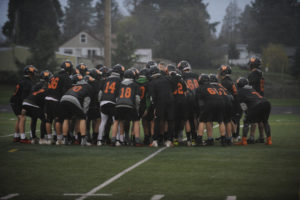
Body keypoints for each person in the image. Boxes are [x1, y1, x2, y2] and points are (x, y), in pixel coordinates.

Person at [60, 75, 98, 146]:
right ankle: (83, 140)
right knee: (82, 118)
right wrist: (84, 112)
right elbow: (87, 100)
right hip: (74, 99)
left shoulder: (74, 85)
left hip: (63, 99)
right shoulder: (88, 87)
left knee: (66, 118)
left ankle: (65, 139)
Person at [236, 77, 272, 146]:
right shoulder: (251, 88)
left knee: (246, 121)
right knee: (265, 121)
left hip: (257, 105)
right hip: (266, 103)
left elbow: (243, 105)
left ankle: (244, 141)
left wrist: (247, 113)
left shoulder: (240, 91)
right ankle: (269, 140)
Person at [111, 70, 142, 146]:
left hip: (119, 104)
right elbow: (137, 98)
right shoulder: (135, 84)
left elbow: (115, 97)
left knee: (116, 121)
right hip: (130, 104)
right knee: (136, 121)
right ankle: (137, 140)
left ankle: (113, 139)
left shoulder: (119, 84)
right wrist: (137, 108)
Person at [44, 61, 73, 144]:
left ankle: (50, 139)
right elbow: (68, 90)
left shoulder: (54, 76)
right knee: (58, 119)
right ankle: (59, 139)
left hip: (47, 98)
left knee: (48, 120)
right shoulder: (66, 77)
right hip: (56, 99)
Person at [20, 70, 52, 144]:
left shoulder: (37, 85)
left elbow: (32, 94)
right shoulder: (48, 87)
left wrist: (23, 107)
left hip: (27, 101)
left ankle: (33, 137)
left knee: (34, 118)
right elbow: (44, 99)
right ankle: (42, 138)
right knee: (44, 118)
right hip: (34, 103)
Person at [149, 66, 176, 147]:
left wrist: (154, 107)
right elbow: (174, 86)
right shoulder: (168, 78)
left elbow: (152, 97)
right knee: (170, 121)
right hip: (170, 101)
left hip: (160, 103)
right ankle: (169, 140)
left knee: (157, 121)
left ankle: (155, 140)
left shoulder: (152, 82)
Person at [97, 64, 124, 146]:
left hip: (103, 102)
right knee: (116, 122)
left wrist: (100, 102)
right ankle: (117, 140)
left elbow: (100, 93)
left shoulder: (106, 79)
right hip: (112, 102)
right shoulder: (119, 80)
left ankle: (99, 140)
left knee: (103, 122)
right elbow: (120, 94)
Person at [196, 74, 226, 146]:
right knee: (220, 121)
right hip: (221, 102)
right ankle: (223, 140)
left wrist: (200, 110)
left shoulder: (200, 88)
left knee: (202, 121)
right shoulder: (213, 86)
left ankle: (199, 140)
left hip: (210, 103)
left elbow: (198, 100)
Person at [10, 65, 38, 143]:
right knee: (23, 118)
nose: (35, 74)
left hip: (14, 101)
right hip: (17, 102)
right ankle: (23, 138)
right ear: (30, 73)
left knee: (20, 118)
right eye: (34, 72)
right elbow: (24, 96)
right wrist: (24, 107)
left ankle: (16, 136)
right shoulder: (27, 82)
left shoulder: (24, 80)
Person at [177, 60, 199, 145]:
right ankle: (195, 138)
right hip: (197, 98)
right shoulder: (196, 75)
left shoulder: (181, 76)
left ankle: (189, 139)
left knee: (187, 119)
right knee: (195, 118)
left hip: (188, 99)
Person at [248, 57, 266, 143]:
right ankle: (262, 137)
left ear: (252, 64)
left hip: (255, 99)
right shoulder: (260, 73)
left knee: (253, 119)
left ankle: (251, 137)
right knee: (260, 119)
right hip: (262, 97)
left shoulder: (253, 74)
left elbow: (251, 87)